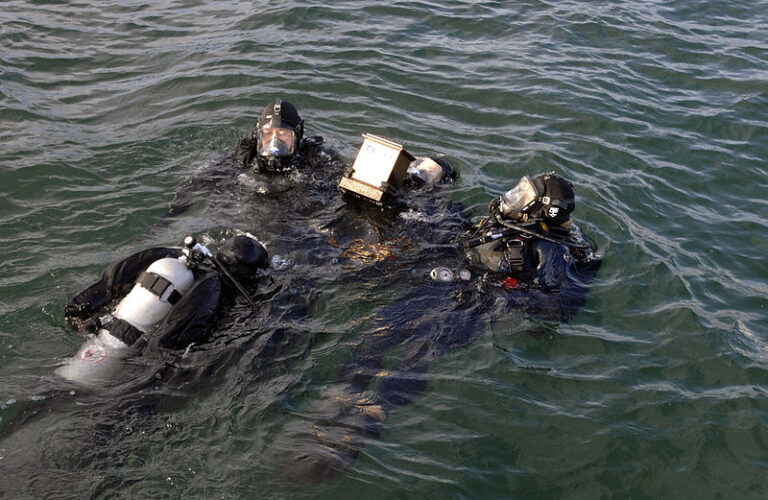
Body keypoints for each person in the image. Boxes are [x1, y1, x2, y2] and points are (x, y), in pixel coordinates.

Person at [277, 171, 601, 483]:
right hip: (446, 282)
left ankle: (372, 414)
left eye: (525, 196)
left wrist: (513, 290)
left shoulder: (550, 249)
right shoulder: (502, 222)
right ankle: (344, 392)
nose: (514, 198)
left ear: (543, 209)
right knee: (380, 328)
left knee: (420, 351)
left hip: (478, 304)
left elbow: (558, 305)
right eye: (520, 190)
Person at [59, 234, 270, 386]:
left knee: (61, 385)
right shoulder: (214, 292)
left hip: (106, 330)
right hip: (140, 356)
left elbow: (107, 283)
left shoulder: (169, 259)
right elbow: (177, 339)